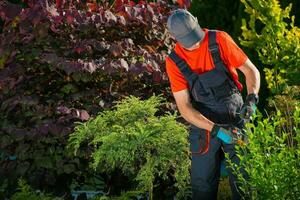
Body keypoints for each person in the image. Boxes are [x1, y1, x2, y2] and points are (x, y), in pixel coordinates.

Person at [165, 9, 260, 200]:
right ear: (173, 37)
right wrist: (216, 130)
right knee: (202, 184)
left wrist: (251, 100)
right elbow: (184, 107)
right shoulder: (174, 62)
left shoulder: (219, 40)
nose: (196, 43)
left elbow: (251, 71)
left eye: (195, 36)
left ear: (198, 23)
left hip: (235, 115)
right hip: (204, 124)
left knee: (244, 179)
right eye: (188, 41)